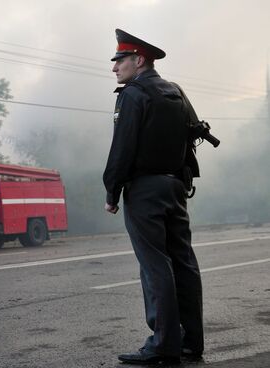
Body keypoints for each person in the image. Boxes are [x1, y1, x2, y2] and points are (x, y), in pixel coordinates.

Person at [103, 29, 204, 365]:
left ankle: (162, 344)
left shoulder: (132, 95)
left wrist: (112, 189)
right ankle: (191, 342)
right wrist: (182, 179)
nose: (115, 68)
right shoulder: (175, 91)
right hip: (175, 187)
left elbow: (123, 146)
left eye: (120, 60)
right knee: (184, 263)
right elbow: (193, 136)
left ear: (138, 60)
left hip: (144, 190)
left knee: (154, 266)